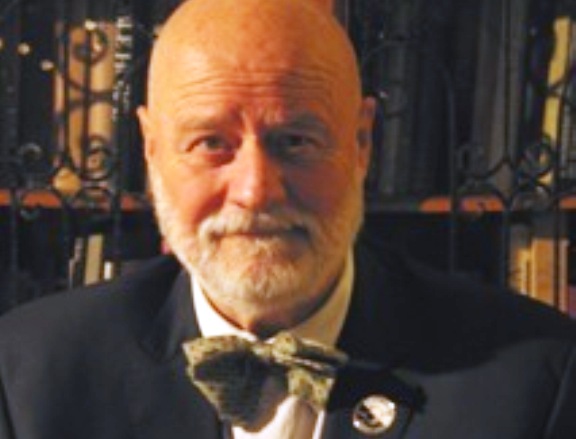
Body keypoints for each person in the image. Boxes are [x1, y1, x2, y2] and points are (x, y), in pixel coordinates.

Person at [1, 0, 576, 437]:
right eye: (211, 142)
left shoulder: (539, 381)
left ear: (361, 144)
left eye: (296, 140)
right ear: (152, 149)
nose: (255, 191)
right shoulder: (26, 378)